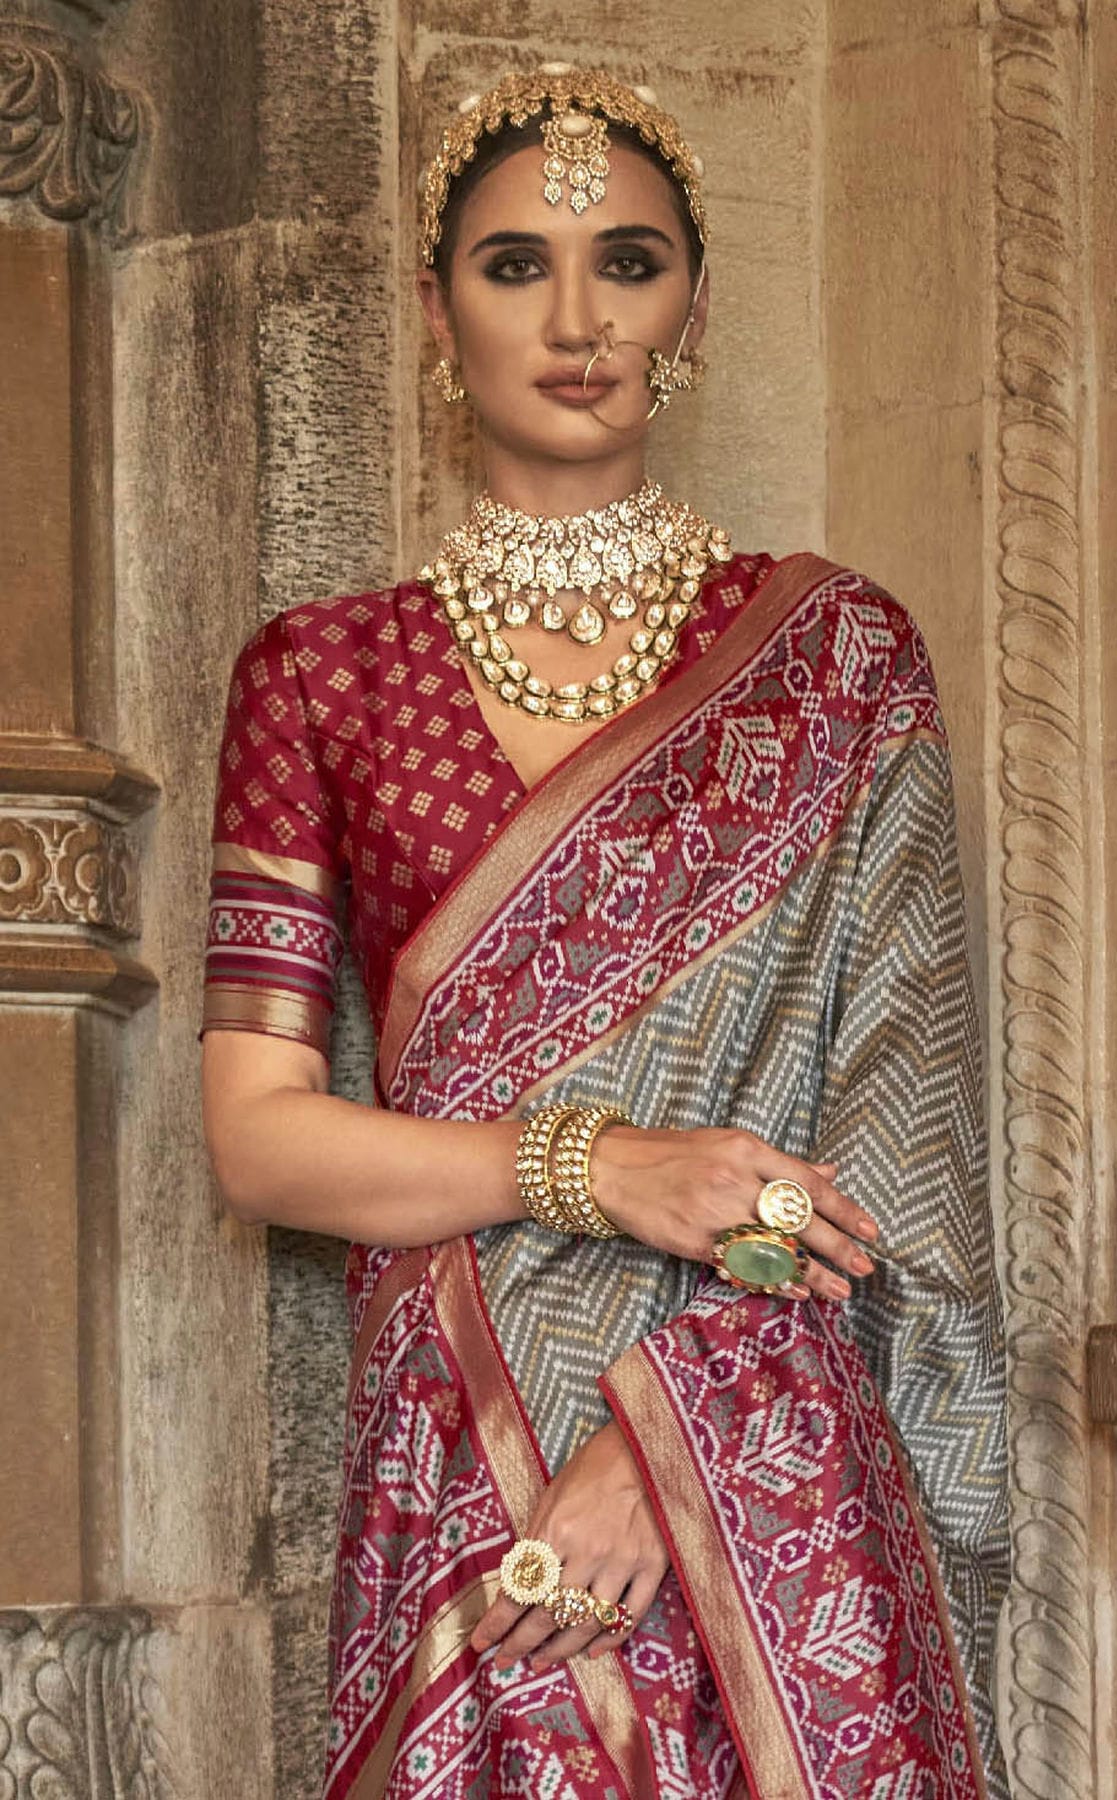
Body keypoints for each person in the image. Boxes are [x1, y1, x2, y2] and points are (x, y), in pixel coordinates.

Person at [201, 65, 1010, 1800]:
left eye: (628, 263)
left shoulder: (841, 663)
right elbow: (259, 1141)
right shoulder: (320, 677)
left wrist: (669, 1452)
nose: (576, 322)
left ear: (691, 309)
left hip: (764, 1460)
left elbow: (894, 1156)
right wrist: (595, 1169)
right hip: (461, 1445)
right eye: (516, 267)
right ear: (438, 311)